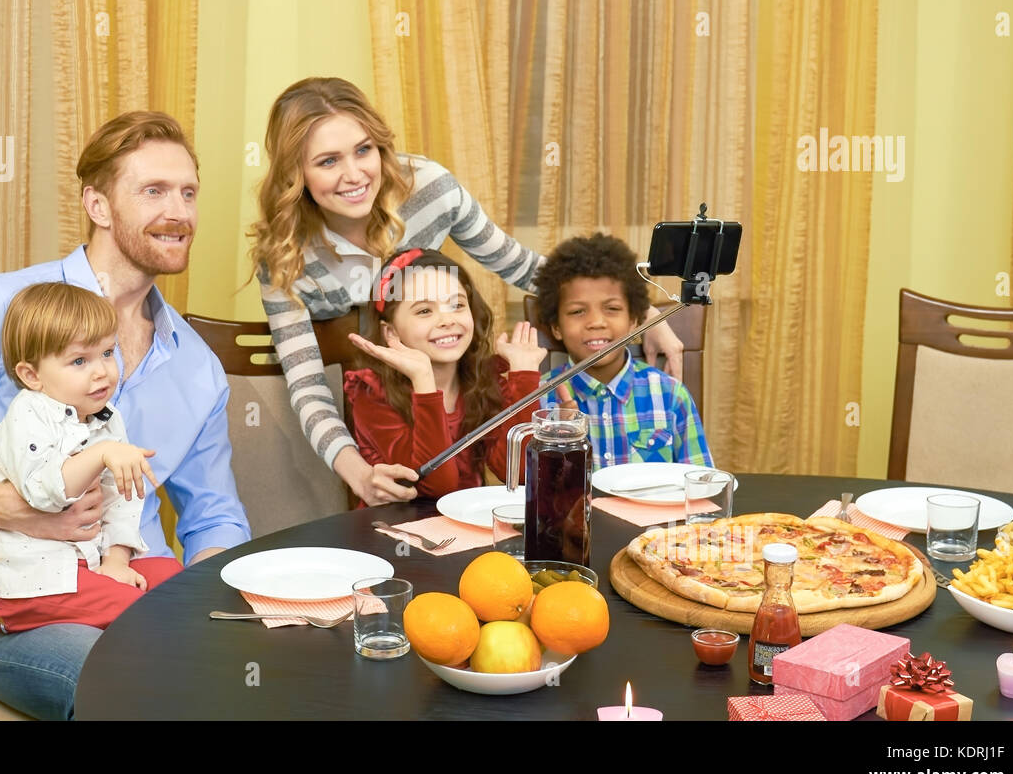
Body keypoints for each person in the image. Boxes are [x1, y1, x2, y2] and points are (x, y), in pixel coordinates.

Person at [0, 111, 251, 720]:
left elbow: (214, 516)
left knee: (274, 669)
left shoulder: (197, 367)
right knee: (146, 693)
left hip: (137, 590)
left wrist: (214, 607)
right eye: (154, 191)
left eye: (188, 192)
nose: (179, 212)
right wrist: (12, 508)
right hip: (19, 614)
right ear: (98, 204)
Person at [249, 76, 685, 505]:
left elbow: (526, 268)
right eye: (327, 161)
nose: (354, 174)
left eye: (364, 150)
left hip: (445, 401)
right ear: (296, 172)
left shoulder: (429, 189)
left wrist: (640, 311)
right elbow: (306, 383)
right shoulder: (285, 256)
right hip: (362, 420)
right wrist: (358, 474)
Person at [0, 282, 186, 633]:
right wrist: (102, 454)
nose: (102, 371)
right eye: (80, 360)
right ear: (31, 375)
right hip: (20, 580)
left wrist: (116, 561)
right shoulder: (28, 414)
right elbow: (44, 492)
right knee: (136, 609)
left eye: (108, 352)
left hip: (80, 565)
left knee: (174, 579)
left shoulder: (107, 417)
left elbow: (122, 500)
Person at [344, 248, 546, 498]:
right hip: (399, 529)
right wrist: (424, 381)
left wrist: (524, 375)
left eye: (457, 305)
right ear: (391, 333)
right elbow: (436, 487)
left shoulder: (482, 379)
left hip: (469, 530)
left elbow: (518, 473)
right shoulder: (371, 392)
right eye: (425, 311)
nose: (447, 320)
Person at [536, 232, 712, 469]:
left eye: (612, 308)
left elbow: (702, 486)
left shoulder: (670, 395)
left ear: (634, 321)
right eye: (578, 311)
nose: (596, 322)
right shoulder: (539, 401)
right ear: (556, 327)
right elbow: (533, 498)